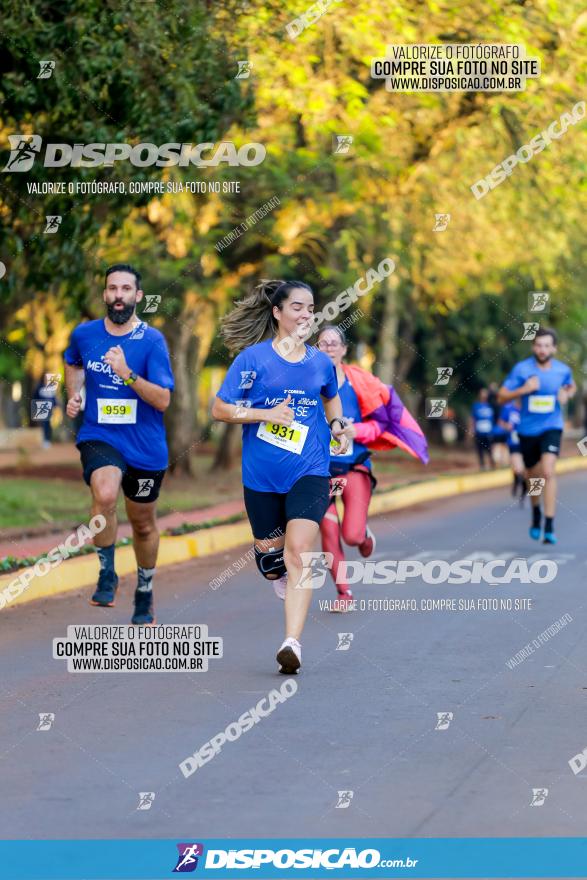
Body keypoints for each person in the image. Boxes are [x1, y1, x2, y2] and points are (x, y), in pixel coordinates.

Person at [211, 280, 349, 674]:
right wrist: (263, 414)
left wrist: (337, 422)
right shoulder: (252, 361)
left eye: (311, 308)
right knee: (273, 563)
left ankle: (292, 643)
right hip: (261, 476)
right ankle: (276, 570)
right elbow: (220, 409)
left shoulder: (320, 362)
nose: (307, 314)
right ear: (277, 312)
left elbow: (331, 394)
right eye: (298, 308)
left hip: (310, 469)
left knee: (299, 553)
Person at [63, 263, 174, 623]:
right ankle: (107, 573)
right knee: (106, 494)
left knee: (142, 524)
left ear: (138, 296)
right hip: (101, 435)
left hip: (145, 444)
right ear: (105, 294)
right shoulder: (85, 334)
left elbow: (162, 400)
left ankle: (144, 589)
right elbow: (73, 363)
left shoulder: (152, 341)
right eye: (112, 289)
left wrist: (126, 373)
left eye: (126, 289)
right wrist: (75, 394)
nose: (118, 296)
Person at [316, 325, 428, 610]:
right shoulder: (307, 384)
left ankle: (364, 537)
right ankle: (344, 594)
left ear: (343, 350)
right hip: (318, 471)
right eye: (322, 344)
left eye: (334, 344)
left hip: (354, 466)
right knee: (328, 532)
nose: (328, 348)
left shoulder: (360, 383)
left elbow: (382, 422)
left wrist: (357, 431)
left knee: (351, 535)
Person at [498, 328, 575, 544]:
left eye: (546, 345)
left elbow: (570, 386)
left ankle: (549, 525)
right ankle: (536, 513)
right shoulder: (521, 370)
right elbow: (502, 397)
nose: (542, 350)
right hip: (527, 430)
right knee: (533, 477)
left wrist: (566, 394)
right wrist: (523, 389)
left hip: (552, 426)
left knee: (548, 472)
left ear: (554, 348)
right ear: (533, 347)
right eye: (538, 345)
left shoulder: (562, 370)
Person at [496, 398, 526, 502]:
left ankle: (522, 484)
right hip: (513, 443)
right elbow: (500, 422)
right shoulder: (508, 408)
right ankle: (519, 483)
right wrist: (506, 426)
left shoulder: (527, 407)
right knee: (517, 467)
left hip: (527, 442)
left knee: (524, 468)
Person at [470, 389, 495, 470]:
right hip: (479, 431)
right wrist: (472, 428)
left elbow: (493, 418)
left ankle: (492, 463)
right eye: (482, 394)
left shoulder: (490, 405)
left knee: (490, 448)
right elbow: (473, 418)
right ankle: (482, 465)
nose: (484, 395)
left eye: (485, 394)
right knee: (479, 449)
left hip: (488, 430)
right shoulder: (476, 406)